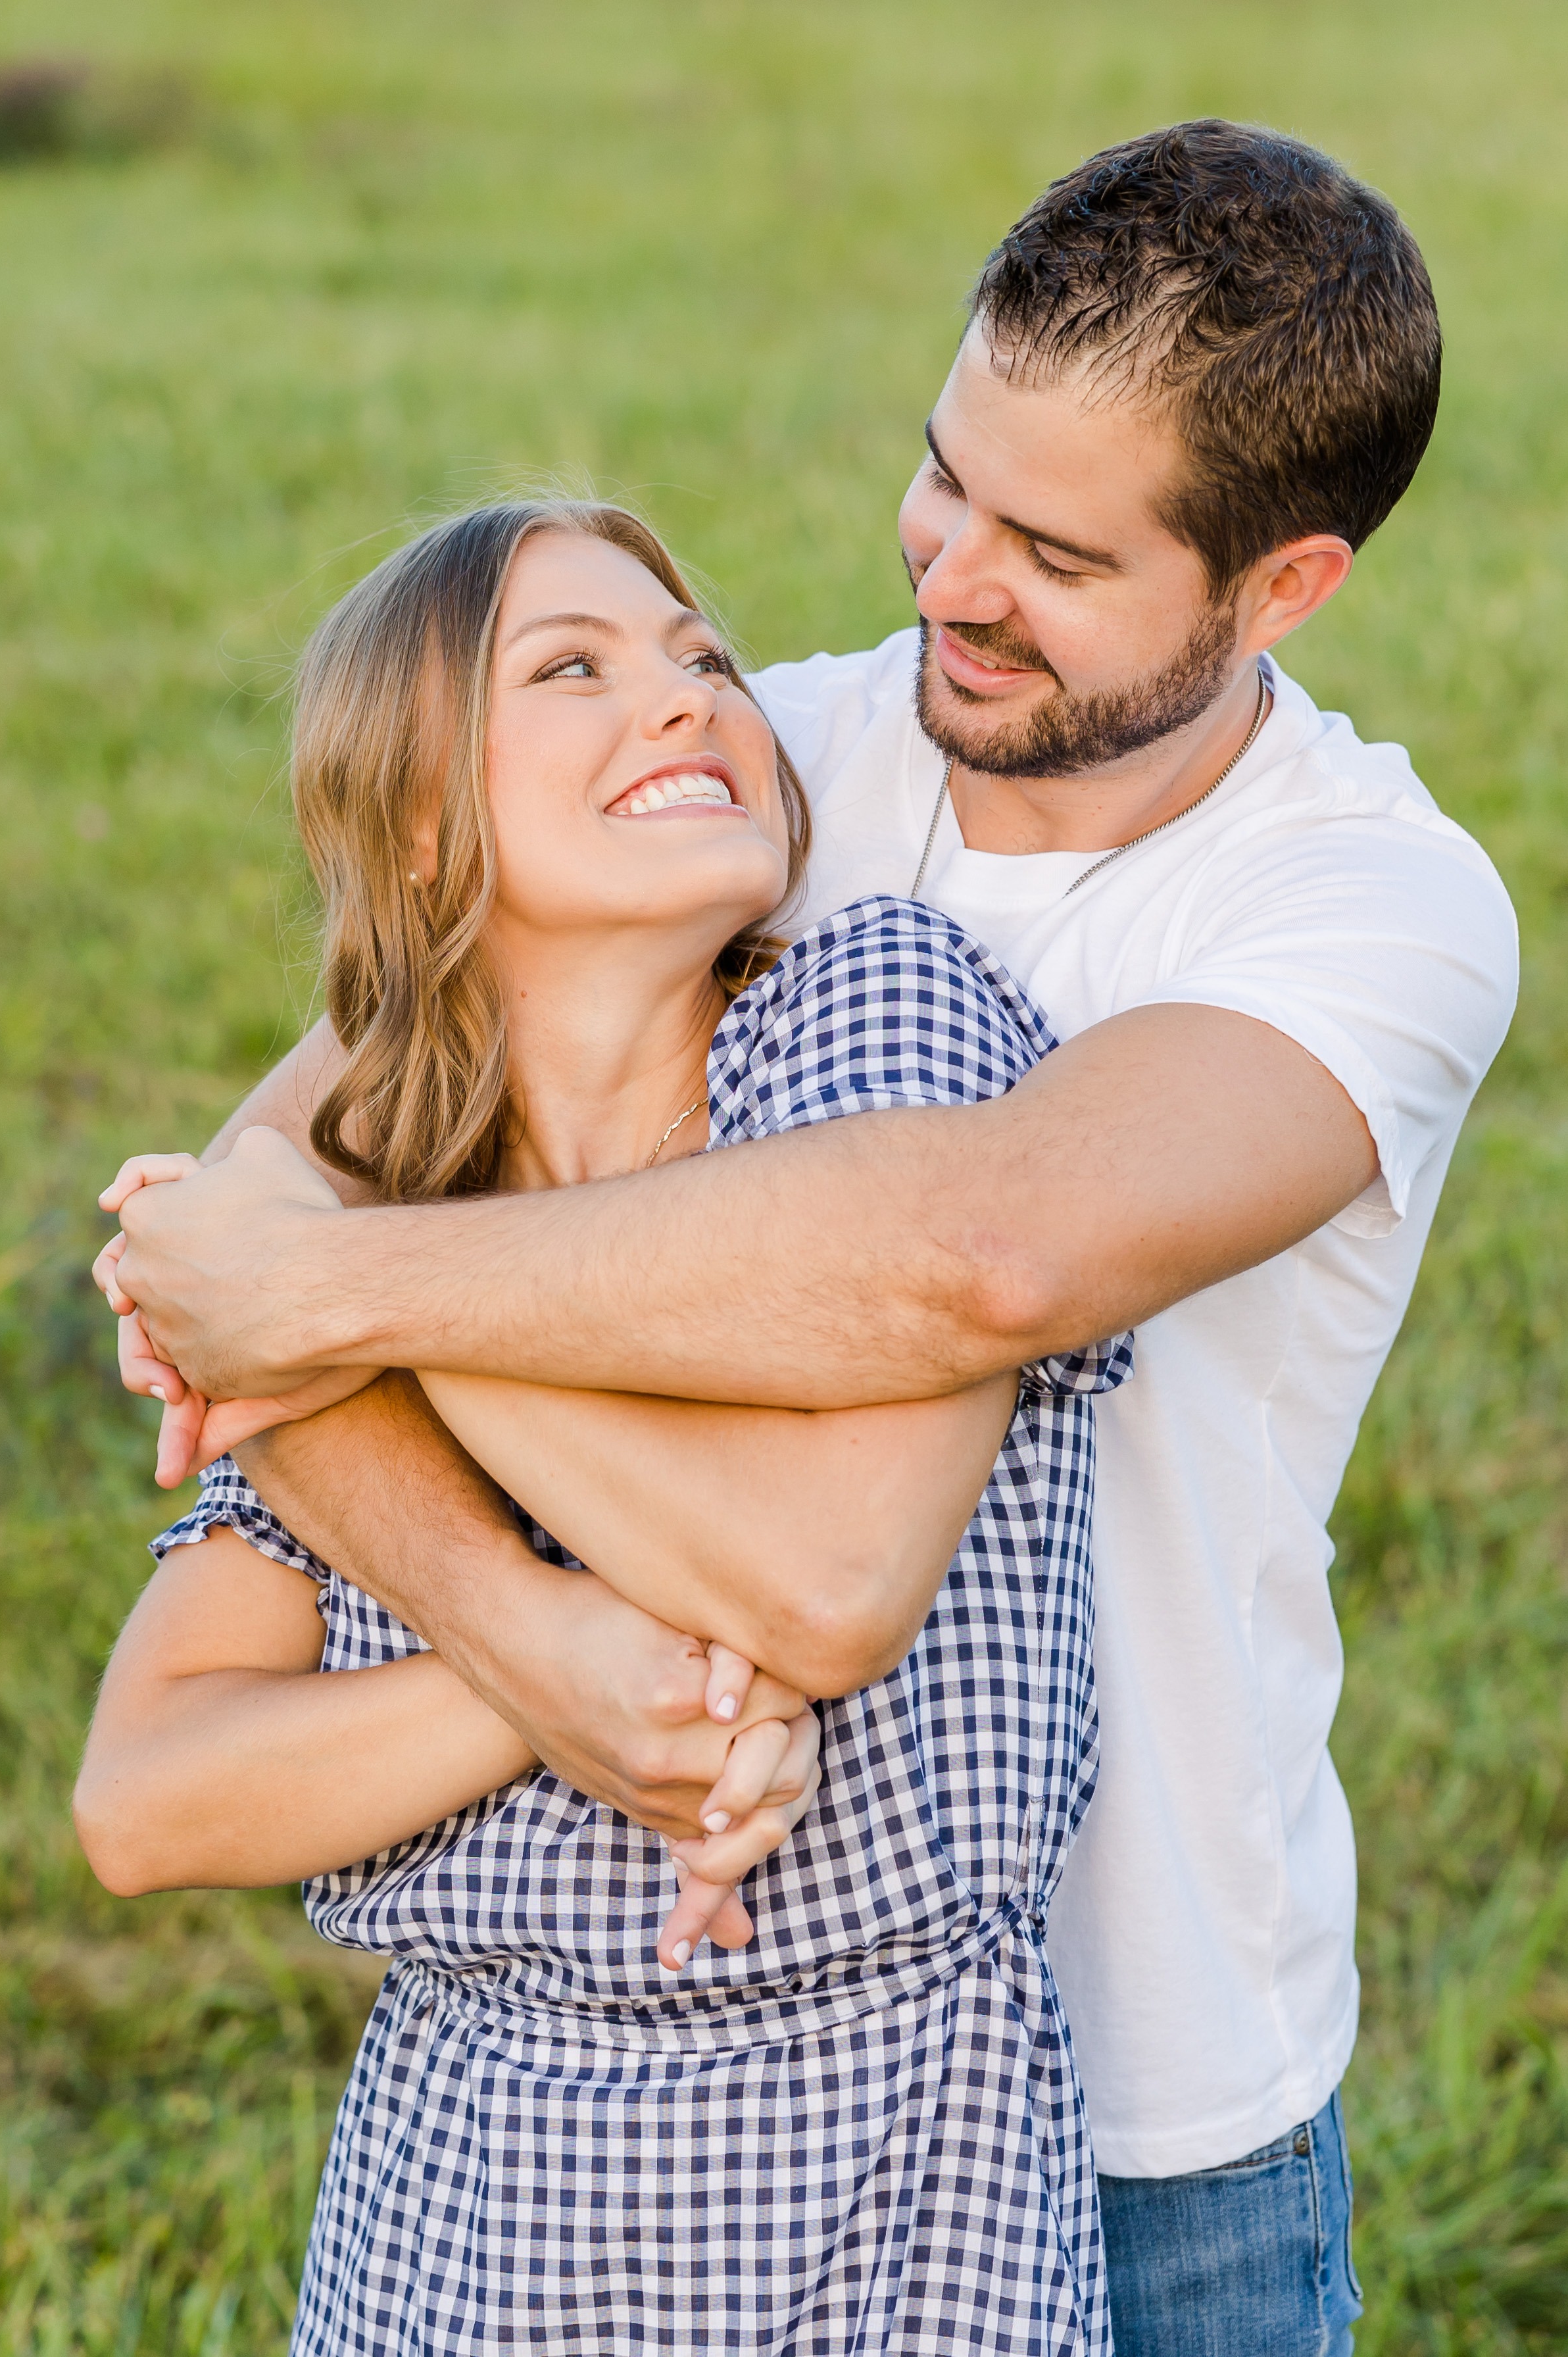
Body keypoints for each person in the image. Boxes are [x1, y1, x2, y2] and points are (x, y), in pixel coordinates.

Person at [99, 122, 1518, 2354]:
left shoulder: (1369, 907)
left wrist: (341, 1292)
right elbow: (281, 1187)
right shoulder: (766, 763)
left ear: (1280, 588)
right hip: (572, 2093)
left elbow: (981, 1258)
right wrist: (533, 1647)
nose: (946, 575)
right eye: (944, 475)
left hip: (1136, 2092)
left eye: (1053, 549)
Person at [77, 498, 1134, 2354]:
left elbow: (821, 1580)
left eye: (701, 658)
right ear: (421, 823)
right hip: (464, 2208)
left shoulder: (869, 1026)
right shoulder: (386, 1180)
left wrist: (360, 1306)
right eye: (573, 667)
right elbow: (148, 1798)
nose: (688, 698)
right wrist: (559, 1666)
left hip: (881, 2187)